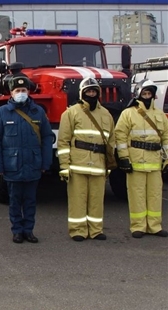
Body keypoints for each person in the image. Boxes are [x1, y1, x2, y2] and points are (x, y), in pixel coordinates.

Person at [0, 73, 52, 244]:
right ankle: (17, 231)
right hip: (12, 166)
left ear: (29, 91)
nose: (21, 93)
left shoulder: (37, 111)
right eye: (18, 90)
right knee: (15, 201)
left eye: (24, 90)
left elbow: (47, 138)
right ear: (11, 93)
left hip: (33, 165)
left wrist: (46, 162)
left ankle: (29, 231)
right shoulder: (2, 113)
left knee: (30, 201)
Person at [57, 77, 114, 242]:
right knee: (78, 199)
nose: (91, 94)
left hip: (98, 165)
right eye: (88, 91)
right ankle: (78, 230)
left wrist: (109, 165)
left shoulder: (106, 114)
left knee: (97, 200)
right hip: (78, 165)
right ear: (82, 93)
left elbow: (111, 141)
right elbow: (63, 141)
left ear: (98, 93)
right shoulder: (71, 113)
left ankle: (96, 230)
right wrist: (64, 166)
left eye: (94, 91)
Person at [114, 79, 168, 239]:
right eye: (144, 93)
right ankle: (138, 226)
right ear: (138, 94)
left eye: (149, 93)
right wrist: (123, 158)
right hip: (136, 161)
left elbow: (166, 137)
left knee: (155, 195)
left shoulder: (159, 115)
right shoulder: (128, 113)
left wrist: (167, 160)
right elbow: (120, 135)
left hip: (155, 162)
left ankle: (154, 226)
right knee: (136, 195)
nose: (147, 96)